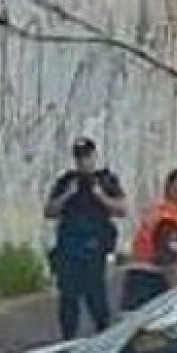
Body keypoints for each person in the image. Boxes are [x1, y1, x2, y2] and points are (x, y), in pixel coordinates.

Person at [43, 137, 128, 339]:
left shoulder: (106, 180)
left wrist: (101, 196)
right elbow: (49, 211)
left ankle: (104, 336)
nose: (83, 162)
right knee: (68, 298)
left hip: (95, 248)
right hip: (69, 249)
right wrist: (67, 195)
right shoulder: (67, 181)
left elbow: (122, 209)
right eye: (79, 157)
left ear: (94, 156)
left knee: (96, 295)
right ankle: (68, 340)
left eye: (87, 156)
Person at [122, 168, 177, 311]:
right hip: (150, 305)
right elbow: (173, 272)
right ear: (176, 193)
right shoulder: (167, 225)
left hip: (152, 302)